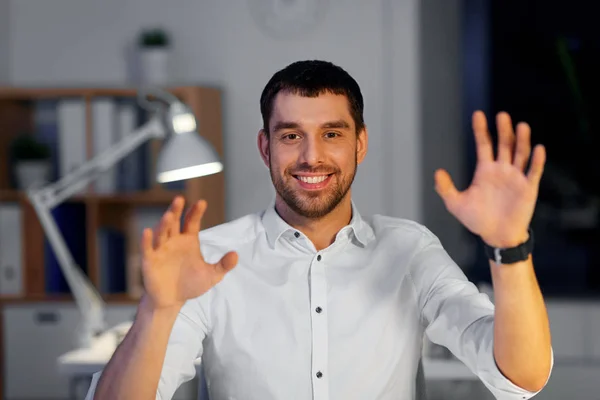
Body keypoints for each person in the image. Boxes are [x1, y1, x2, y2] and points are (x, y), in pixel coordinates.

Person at [87, 60, 553, 400]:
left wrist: (509, 246)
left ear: (360, 143)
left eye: (332, 133)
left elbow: (522, 376)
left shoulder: (409, 249)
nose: (312, 156)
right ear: (265, 147)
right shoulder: (210, 258)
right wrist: (156, 310)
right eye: (291, 136)